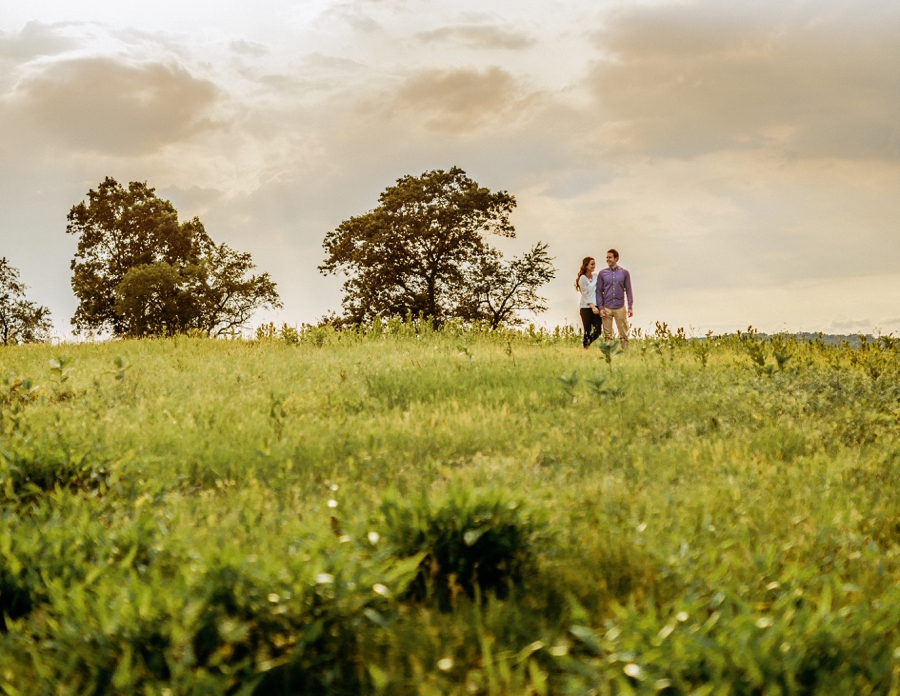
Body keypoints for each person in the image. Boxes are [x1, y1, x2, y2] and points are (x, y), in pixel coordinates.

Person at [596, 249, 633, 349]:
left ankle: (626, 354)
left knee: (623, 333)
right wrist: (600, 308)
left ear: (616, 258)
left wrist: (630, 307)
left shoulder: (624, 273)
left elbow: (629, 290)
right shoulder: (602, 274)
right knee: (608, 335)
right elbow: (599, 291)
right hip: (606, 307)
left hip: (620, 307)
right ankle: (609, 355)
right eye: (607, 257)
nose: (608, 259)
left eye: (610, 257)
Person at [575, 256, 602, 349]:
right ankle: (585, 347)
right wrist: (592, 307)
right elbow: (585, 294)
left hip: (596, 305)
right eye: (592, 264)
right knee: (587, 329)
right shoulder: (582, 278)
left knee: (598, 330)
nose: (594, 266)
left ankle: (586, 344)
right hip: (586, 307)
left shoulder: (596, 276)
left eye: (594, 264)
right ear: (586, 266)